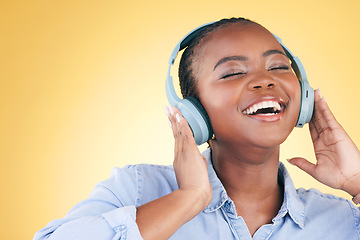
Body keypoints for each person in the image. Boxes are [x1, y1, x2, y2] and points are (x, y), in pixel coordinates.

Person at [34, 17, 360, 240]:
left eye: (278, 66)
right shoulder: (135, 189)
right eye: (232, 73)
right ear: (194, 112)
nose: (265, 79)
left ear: (302, 98)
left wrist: (358, 183)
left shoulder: (343, 219)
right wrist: (188, 199)